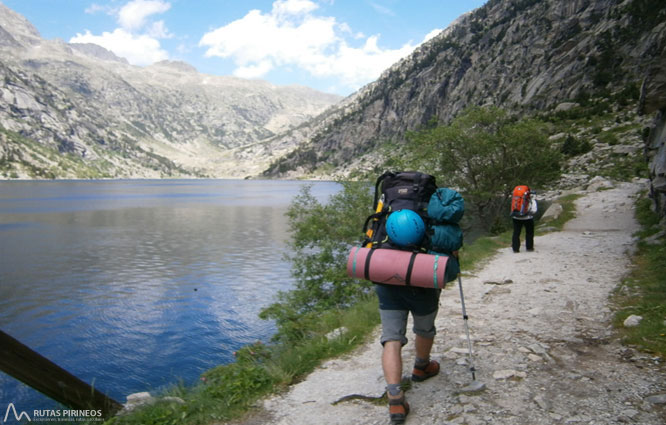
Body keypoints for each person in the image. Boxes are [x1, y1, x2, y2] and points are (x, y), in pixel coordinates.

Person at [375, 282, 442, 424]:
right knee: (425, 329)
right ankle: (422, 367)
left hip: (387, 284)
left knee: (391, 339)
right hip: (423, 286)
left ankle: (395, 399)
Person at [511, 188, 537, 253]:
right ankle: (529, 247)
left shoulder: (516, 199)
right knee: (529, 233)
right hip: (528, 218)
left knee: (516, 233)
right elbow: (534, 210)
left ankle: (515, 249)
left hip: (516, 218)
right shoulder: (531, 200)